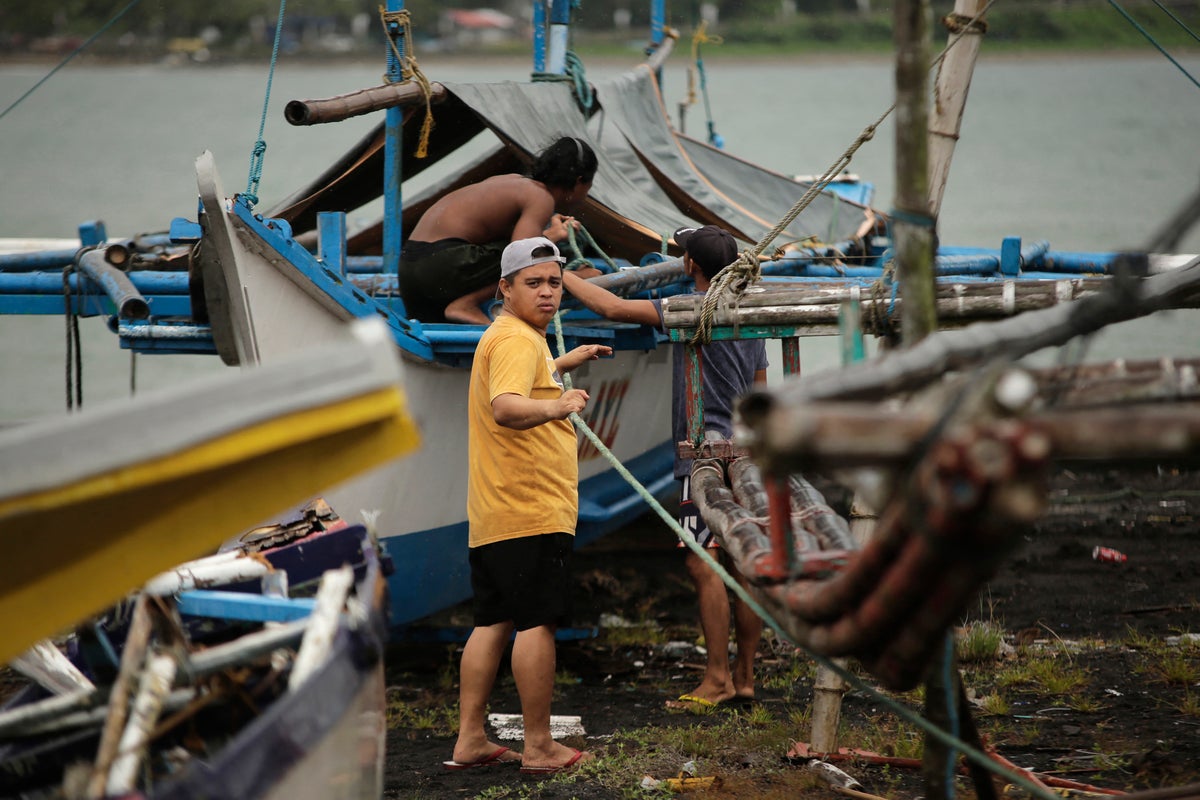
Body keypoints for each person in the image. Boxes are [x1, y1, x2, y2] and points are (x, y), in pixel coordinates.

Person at [562, 225, 767, 710]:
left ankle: (715, 678)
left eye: (683, 256)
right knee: (744, 561)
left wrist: (558, 274)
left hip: (703, 456)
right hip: (750, 451)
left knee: (703, 562)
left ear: (691, 266)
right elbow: (761, 388)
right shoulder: (752, 311)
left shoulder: (685, 308)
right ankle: (744, 677)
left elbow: (609, 307)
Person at [447, 237, 609, 775]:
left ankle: (470, 738)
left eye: (554, 283)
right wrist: (560, 405)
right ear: (505, 287)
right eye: (533, 283)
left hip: (496, 511)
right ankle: (539, 747)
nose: (546, 292)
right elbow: (508, 408)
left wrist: (563, 363)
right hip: (529, 506)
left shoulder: (511, 336)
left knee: (492, 620)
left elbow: (522, 380)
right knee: (536, 623)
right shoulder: (517, 341)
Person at [399, 136, 601, 326]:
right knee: (531, 257)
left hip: (409, 271)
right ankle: (466, 304)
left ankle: (460, 308)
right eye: (588, 187)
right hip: (441, 264)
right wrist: (578, 277)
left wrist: (552, 236)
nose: (585, 197)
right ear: (578, 182)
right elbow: (523, 257)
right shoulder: (541, 198)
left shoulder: (512, 181)